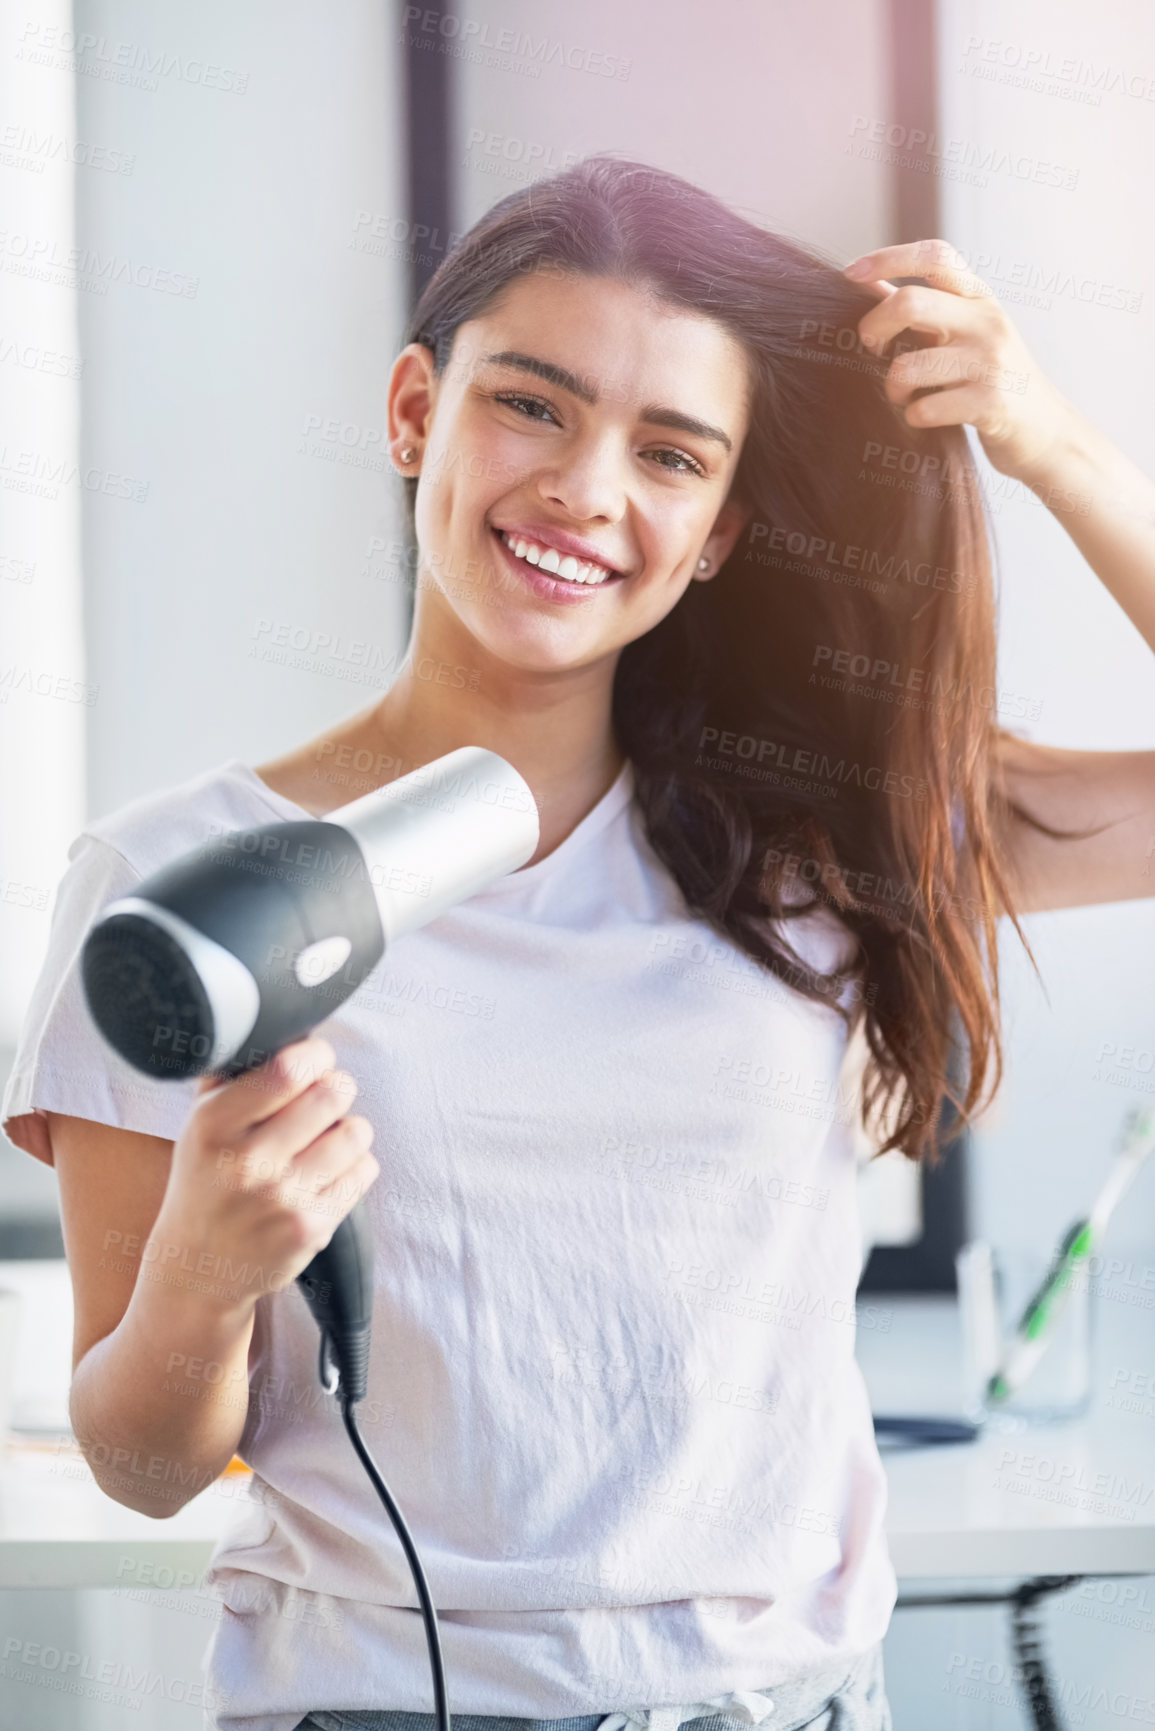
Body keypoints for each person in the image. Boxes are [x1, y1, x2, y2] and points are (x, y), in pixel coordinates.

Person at [4, 154, 1154, 1731]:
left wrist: (1054, 446)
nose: (585, 491)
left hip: (792, 1706)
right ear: (416, 411)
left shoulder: (822, 840)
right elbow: (141, 1467)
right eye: (531, 405)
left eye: (670, 454)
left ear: (719, 536)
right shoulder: (170, 887)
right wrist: (204, 1277)